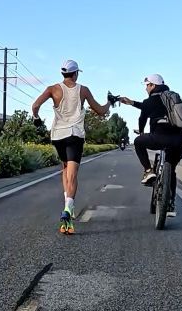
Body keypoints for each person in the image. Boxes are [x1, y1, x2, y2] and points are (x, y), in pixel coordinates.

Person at [32, 60, 112, 234]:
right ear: (76, 73)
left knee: (65, 169)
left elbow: (35, 106)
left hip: (58, 136)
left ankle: (67, 206)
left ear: (63, 74)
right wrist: (109, 103)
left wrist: (36, 119)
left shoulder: (53, 89)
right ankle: (68, 209)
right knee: (73, 174)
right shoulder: (83, 90)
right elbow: (100, 111)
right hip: (74, 135)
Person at [120, 74, 182, 216]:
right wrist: (132, 102)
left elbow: (143, 116)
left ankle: (149, 171)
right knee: (172, 170)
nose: (146, 88)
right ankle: (170, 204)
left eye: (147, 85)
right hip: (179, 140)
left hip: (159, 138)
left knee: (139, 142)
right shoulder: (173, 97)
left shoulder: (150, 101)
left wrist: (141, 132)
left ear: (153, 86)